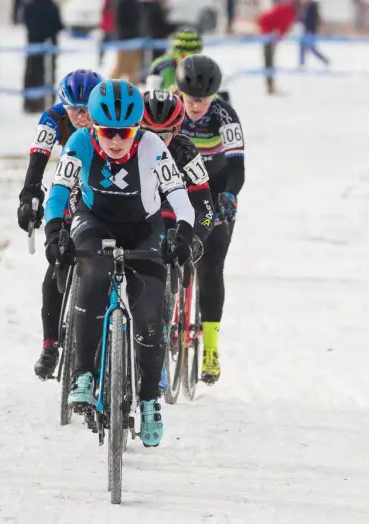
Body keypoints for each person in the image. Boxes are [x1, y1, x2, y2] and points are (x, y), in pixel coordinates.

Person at [43, 79, 196, 447]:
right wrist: (52, 233)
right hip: (94, 221)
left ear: (137, 128)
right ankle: (83, 375)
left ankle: (147, 400)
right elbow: (59, 192)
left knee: (149, 315)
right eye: (108, 132)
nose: (115, 141)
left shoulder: (153, 147)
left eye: (125, 132)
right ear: (94, 127)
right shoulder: (79, 143)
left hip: (144, 227)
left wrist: (185, 234)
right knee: (93, 275)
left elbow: (179, 196)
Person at [17, 69, 104, 380]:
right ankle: (50, 343)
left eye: (87, 109)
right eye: (74, 110)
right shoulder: (52, 118)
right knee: (55, 267)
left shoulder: (110, 115)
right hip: (69, 187)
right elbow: (38, 160)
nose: (81, 116)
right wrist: (29, 195)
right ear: (62, 106)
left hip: (102, 191)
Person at [139, 88, 220, 392]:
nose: (158, 141)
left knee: (165, 272)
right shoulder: (124, 145)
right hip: (135, 216)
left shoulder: (186, 151)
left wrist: (196, 238)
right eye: (149, 132)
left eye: (166, 134)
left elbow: (206, 206)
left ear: (177, 129)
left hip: (172, 217)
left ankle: (157, 356)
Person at [175, 54, 245, 384]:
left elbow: (236, 167)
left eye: (204, 99)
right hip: (176, 186)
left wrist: (229, 195)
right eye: (192, 99)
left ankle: (211, 350)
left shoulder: (224, 116)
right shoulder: (169, 111)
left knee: (212, 265)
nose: (197, 106)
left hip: (215, 189)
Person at [145, 27, 233, 106]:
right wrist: (171, 94)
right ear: (176, 54)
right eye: (183, 57)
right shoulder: (160, 66)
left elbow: (225, 101)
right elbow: (149, 101)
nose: (189, 65)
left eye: (193, 58)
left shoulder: (210, 68)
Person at [257, 0, 297, 95]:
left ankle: (270, 85)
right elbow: (281, 25)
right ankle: (270, 85)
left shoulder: (287, 9)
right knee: (269, 60)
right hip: (268, 35)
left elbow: (282, 25)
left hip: (269, 34)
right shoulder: (288, 10)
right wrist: (278, 35)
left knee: (269, 60)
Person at [299, 0, 329, 68]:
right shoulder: (306, 7)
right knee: (303, 47)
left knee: (311, 48)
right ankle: (301, 63)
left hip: (310, 32)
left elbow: (312, 21)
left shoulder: (312, 7)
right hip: (306, 31)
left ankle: (324, 60)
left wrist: (310, 31)